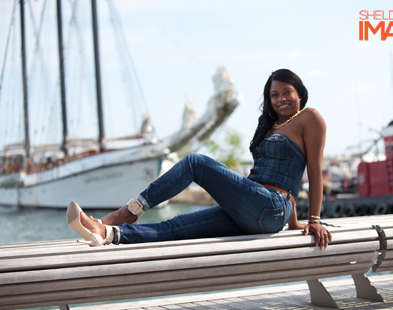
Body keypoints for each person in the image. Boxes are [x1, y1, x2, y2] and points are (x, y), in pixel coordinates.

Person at [66, 69, 332, 249]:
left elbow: (313, 170)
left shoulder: (310, 117)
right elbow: (286, 172)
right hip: (256, 207)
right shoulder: (273, 127)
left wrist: (314, 221)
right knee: (177, 226)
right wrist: (293, 222)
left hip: (270, 206)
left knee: (196, 162)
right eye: (274, 95)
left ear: (299, 92)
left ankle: (129, 212)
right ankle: (108, 233)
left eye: (287, 92)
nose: (281, 99)